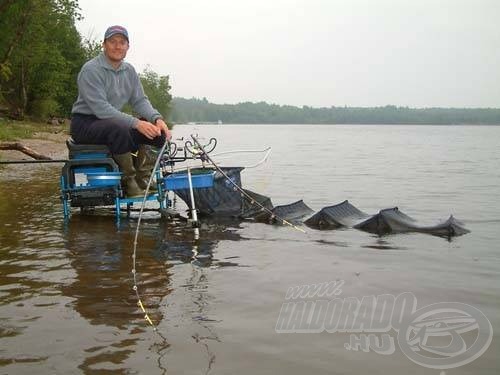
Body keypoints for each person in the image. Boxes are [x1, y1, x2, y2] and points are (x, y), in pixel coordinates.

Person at [71, 25, 172, 197]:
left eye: (122, 42)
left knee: (157, 134)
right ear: (104, 45)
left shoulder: (129, 70)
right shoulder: (91, 70)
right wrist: (137, 123)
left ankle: (143, 178)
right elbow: (101, 109)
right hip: (85, 124)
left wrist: (157, 119)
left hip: (111, 124)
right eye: (113, 42)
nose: (118, 46)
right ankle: (129, 182)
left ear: (128, 46)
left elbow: (140, 101)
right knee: (119, 128)